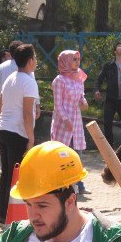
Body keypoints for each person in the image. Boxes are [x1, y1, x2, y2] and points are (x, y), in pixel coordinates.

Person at [0, 43, 39, 228]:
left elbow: (0, 108)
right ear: (29, 61)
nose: (36, 62)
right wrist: (31, 138)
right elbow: (28, 114)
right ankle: (14, 218)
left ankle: (1, 216)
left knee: (6, 175)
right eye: (35, 58)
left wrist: (0, 130)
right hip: (18, 133)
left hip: (3, 129)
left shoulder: (10, 77)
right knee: (18, 175)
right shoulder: (29, 82)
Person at [50, 50, 89, 195]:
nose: (77, 62)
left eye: (78, 59)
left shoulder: (78, 77)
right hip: (63, 122)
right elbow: (57, 104)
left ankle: (78, 183)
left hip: (76, 120)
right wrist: (65, 119)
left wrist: (83, 102)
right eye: (74, 59)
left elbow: (81, 96)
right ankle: (61, 184)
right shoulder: (59, 80)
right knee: (62, 154)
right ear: (65, 61)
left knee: (76, 153)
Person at [94, 42, 121, 147]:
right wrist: (96, 90)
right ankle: (110, 150)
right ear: (115, 51)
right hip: (111, 100)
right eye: (119, 46)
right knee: (107, 124)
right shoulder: (108, 66)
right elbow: (99, 80)